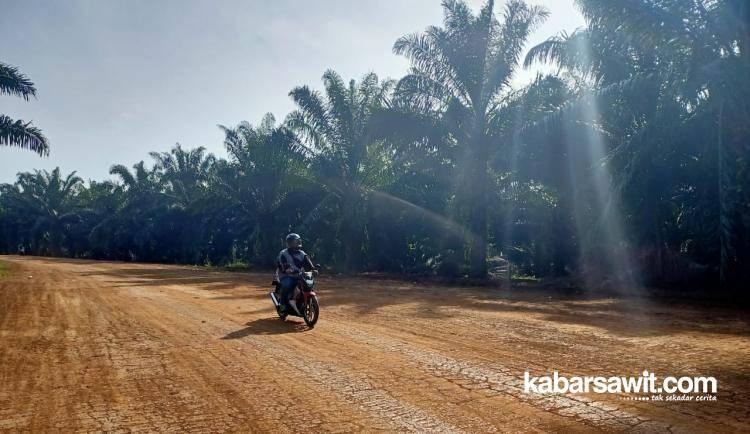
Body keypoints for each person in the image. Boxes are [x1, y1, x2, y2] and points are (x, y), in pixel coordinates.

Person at [275, 233, 315, 311]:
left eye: (298, 241)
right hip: (285, 275)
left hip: (298, 274)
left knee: (308, 283)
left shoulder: (302, 253)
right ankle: (283, 303)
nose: (297, 243)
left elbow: (308, 261)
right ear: (289, 243)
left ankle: (300, 300)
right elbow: (281, 264)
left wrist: (313, 268)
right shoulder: (283, 253)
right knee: (287, 284)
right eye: (295, 242)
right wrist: (286, 269)